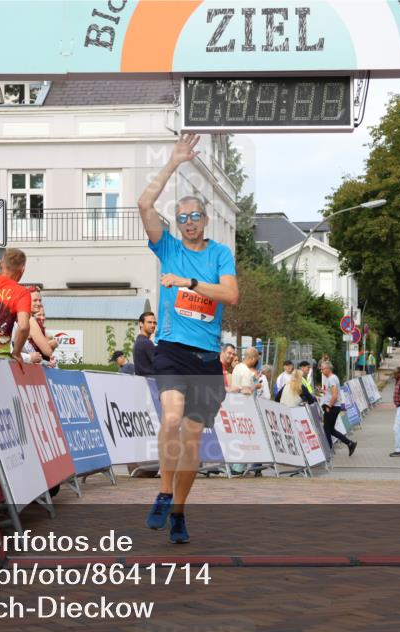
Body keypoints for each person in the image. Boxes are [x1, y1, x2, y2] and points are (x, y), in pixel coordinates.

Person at [138, 132, 238, 544]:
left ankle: (179, 511)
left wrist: (190, 282)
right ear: (175, 224)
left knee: (193, 440)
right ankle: (163, 493)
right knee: (171, 419)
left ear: (205, 220)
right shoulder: (168, 248)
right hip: (173, 351)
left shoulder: (218, 255)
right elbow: (145, 204)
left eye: (195, 216)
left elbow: (230, 294)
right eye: (182, 218)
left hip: (206, 358)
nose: (189, 223)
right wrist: (174, 162)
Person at [319, 360, 357, 456]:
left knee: (326, 429)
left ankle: (329, 450)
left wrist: (329, 406)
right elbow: (332, 393)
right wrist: (324, 391)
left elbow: (335, 395)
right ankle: (350, 443)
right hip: (335, 406)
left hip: (332, 407)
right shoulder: (333, 378)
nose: (321, 371)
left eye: (322, 369)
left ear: (328, 369)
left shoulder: (331, 379)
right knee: (330, 429)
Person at [21, 286, 57, 365]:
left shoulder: (22, 317)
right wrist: (53, 345)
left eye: (40, 300)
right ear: (26, 300)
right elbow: (47, 352)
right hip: (30, 366)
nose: (39, 303)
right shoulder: (30, 320)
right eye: (35, 300)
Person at [133, 311, 157, 376]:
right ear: (141, 324)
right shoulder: (146, 343)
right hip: (150, 382)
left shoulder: (139, 340)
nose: (153, 325)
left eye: (154, 323)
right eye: (149, 322)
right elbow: (159, 365)